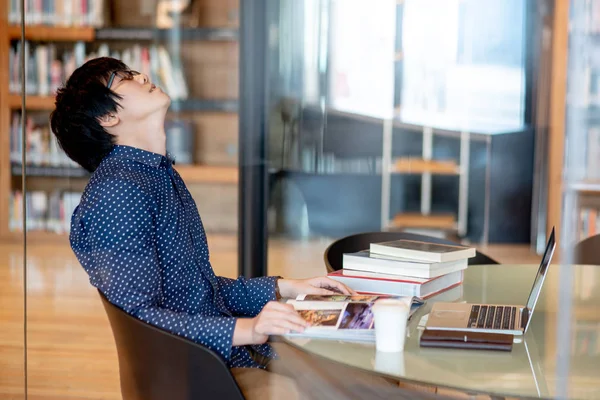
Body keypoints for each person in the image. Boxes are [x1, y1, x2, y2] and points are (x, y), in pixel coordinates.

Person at [50, 57, 442, 400]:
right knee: (373, 382)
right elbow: (140, 315)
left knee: (383, 377)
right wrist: (250, 328)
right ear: (107, 117)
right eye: (124, 78)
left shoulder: (155, 176)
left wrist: (287, 287)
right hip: (202, 370)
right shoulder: (119, 191)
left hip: (230, 353)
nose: (140, 75)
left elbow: (197, 291)